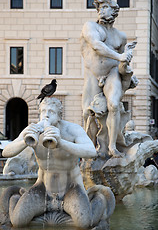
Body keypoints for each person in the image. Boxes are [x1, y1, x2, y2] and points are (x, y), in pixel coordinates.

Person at [2, 97, 97, 228]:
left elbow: (92, 151)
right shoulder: (33, 130)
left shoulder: (72, 130)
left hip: (70, 188)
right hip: (43, 189)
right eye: (43, 111)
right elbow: (6, 152)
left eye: (51, 111)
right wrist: (24, 141)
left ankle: (92, 202)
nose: (46, 115)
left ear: (59, 116)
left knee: (84, 224)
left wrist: (61, 142)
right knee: (18, 222)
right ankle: (16, 199)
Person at [80, 0, 134, 158]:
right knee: (87, 113)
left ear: (114, 11)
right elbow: (97, 46)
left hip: (112, 73)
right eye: (99, 8)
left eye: (105, 7)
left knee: (114, 105)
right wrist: (121, 57)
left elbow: (123, 62)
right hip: (92, 73)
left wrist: (129, 72)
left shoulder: (120, 36)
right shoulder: (90, 27)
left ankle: (112, 147)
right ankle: (90, 148)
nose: (101, 11)